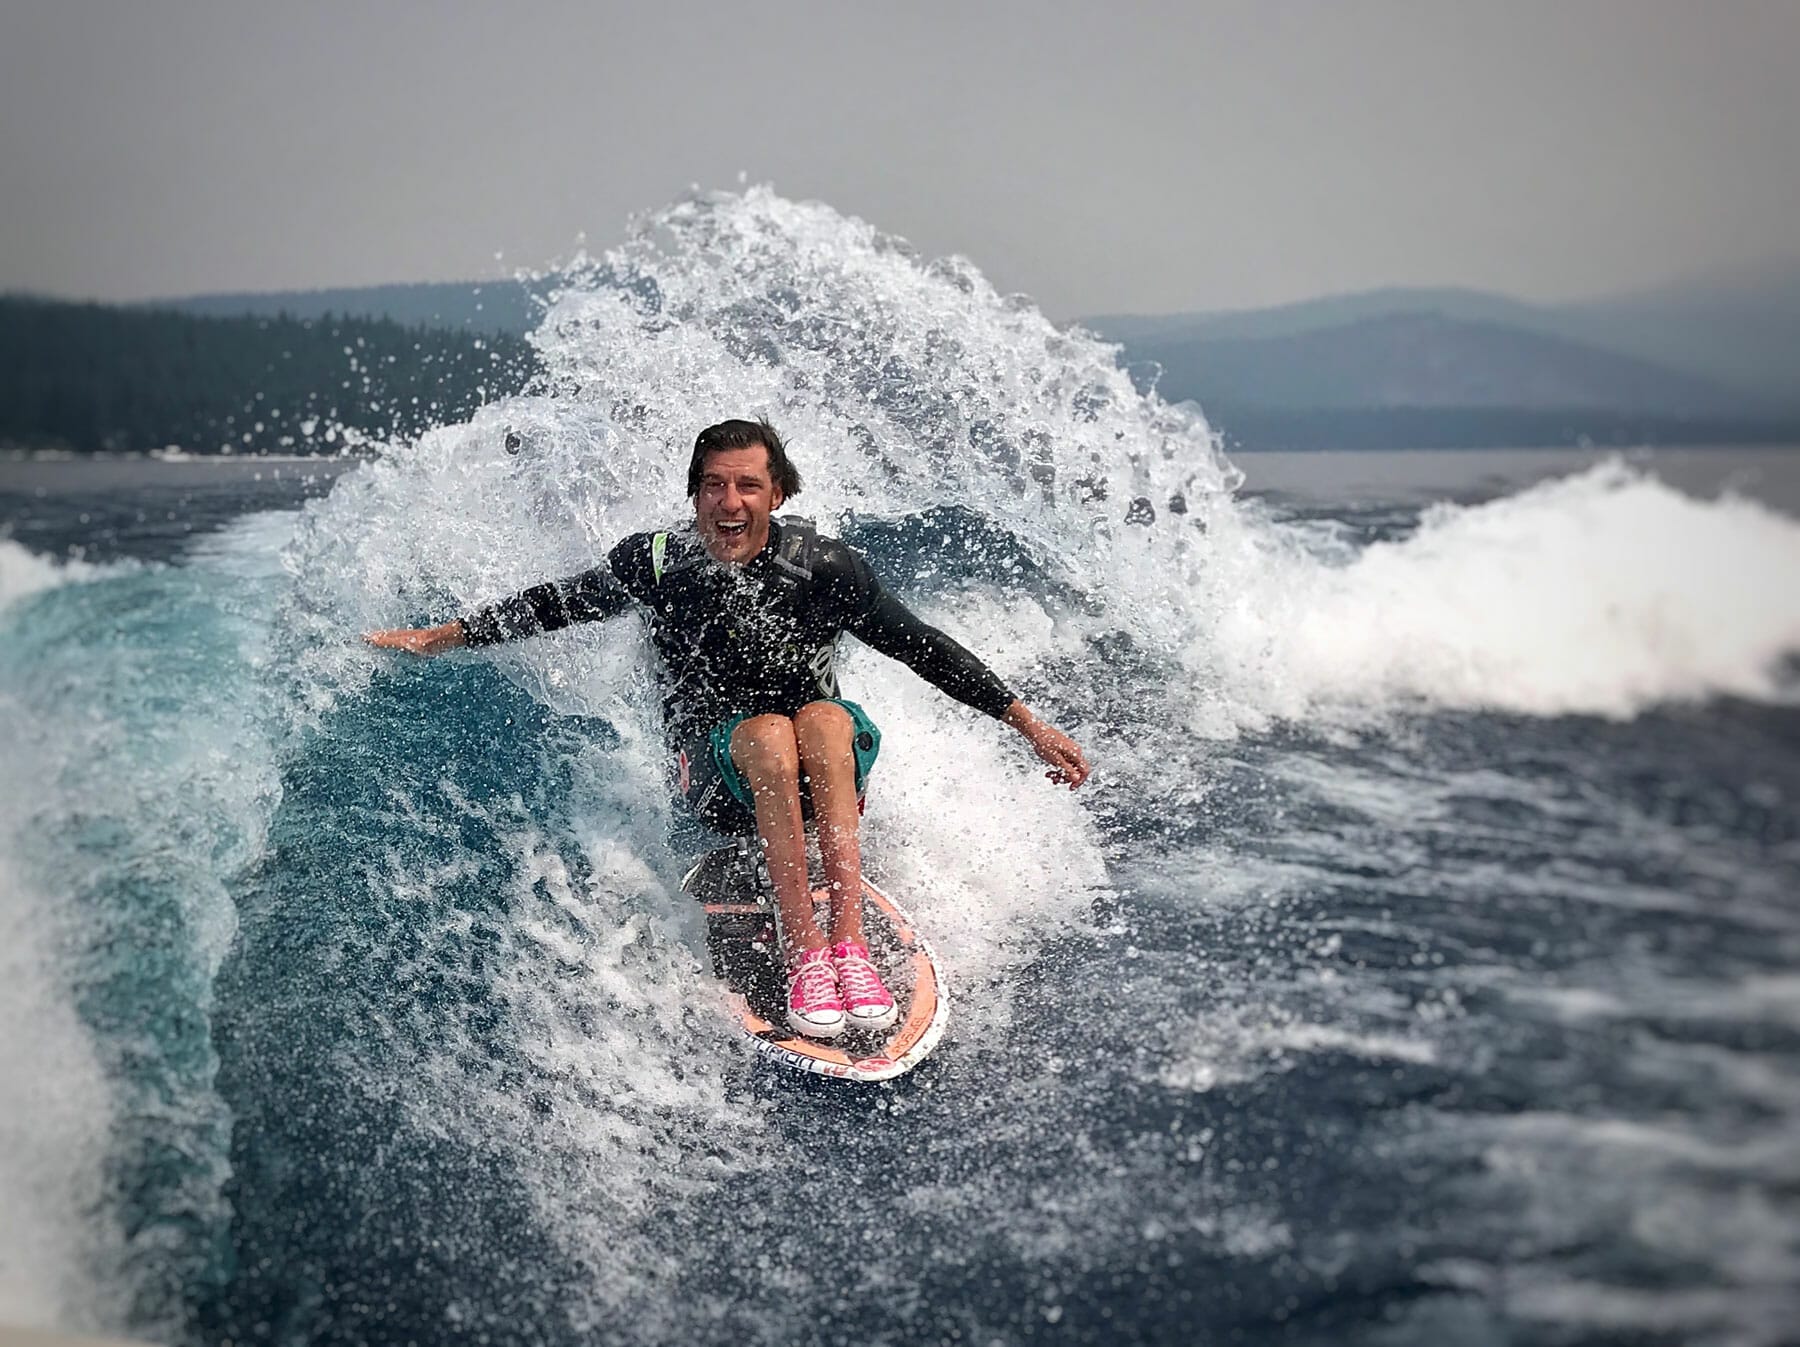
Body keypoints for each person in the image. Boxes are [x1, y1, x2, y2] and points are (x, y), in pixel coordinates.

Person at [366, 418, 1090, 1040]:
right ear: (695, 494)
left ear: (778, 494)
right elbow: (557, 604)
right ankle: (807, 953)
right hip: (718, 783)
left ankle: (849, 946)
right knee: (770, 732)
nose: (730, 501)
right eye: (714, 484)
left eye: (748, 485)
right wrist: (444, 635)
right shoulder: (657, 563)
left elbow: (921, 643)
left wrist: (1023, 721)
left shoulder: (825, 567)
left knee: (823, 717)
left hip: (824, 767)